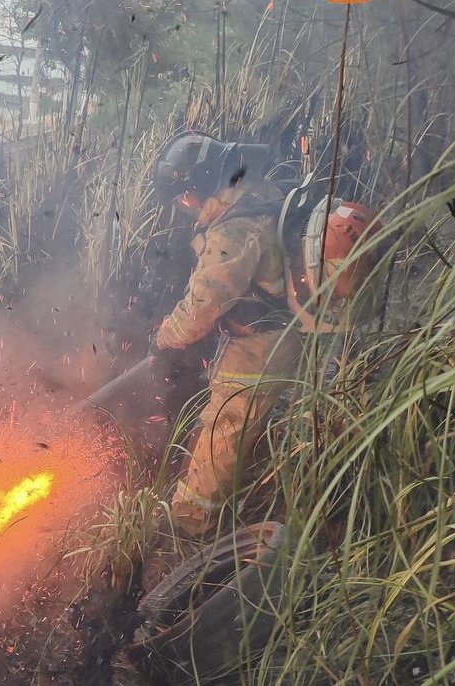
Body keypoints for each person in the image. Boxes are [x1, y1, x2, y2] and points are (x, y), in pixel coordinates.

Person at [152, 131, 304, 536]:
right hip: (275, 335)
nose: (185, 205)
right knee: (240, 423)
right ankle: (244, 490)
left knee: (226, 426)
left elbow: (202, 308)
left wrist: (166, 336)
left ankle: (188, 526)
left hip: (261, 348)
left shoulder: (232, 232)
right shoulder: (252, 192)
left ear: (202, 185)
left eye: (185, 196)